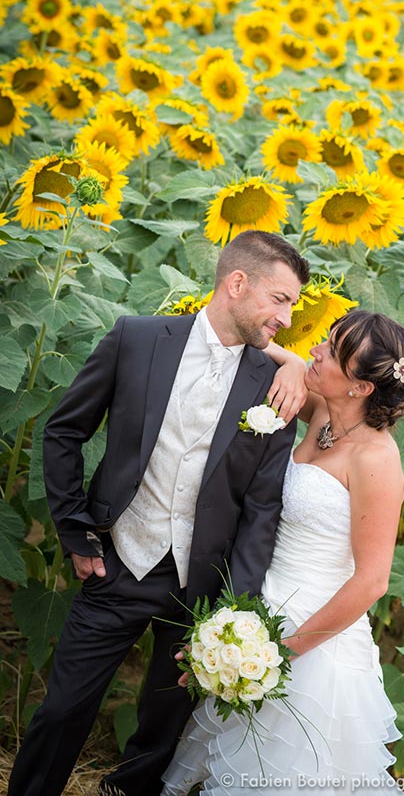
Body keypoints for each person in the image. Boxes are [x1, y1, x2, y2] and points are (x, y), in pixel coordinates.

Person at [8, 231, 311, 796]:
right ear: (236, 283)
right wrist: (76, 533)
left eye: (293, 305)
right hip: (118, 562)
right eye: (280, 299)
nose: (288, 319)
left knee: (161, 731)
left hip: (201, 588)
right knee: (62, 711)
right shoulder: (136, 339)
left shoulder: (275, 385)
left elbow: (262, 507)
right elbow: (64, 431)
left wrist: (233, 610)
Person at [160, 309, 404, 796]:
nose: (316, 351)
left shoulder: (377, 461)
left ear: (361, 387)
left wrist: (281, 653)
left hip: (315, 630)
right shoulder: (325, 412)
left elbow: (371, 581)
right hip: (262, 599)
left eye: (332, 351)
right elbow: (267, 347)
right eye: (326, 339)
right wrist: (288, 367)